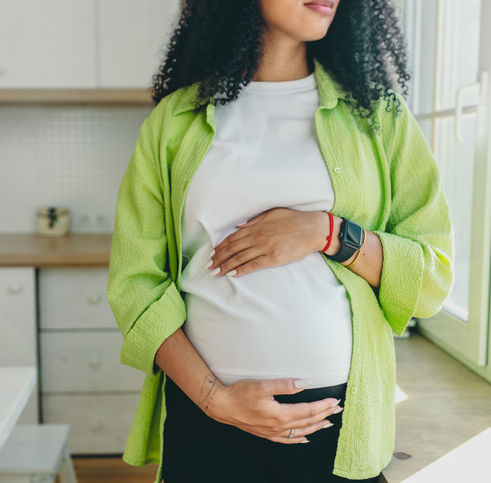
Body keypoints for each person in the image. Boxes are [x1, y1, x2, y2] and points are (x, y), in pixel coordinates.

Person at [107, 0, 455, 482]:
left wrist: (327, 232)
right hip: (207, 415)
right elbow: (135, 285)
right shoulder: (176, 119)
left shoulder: (378, 115)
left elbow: (431, 276)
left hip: (337, 423)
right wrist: (216, 399)